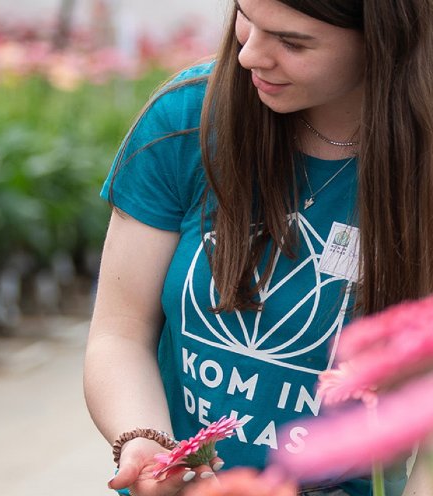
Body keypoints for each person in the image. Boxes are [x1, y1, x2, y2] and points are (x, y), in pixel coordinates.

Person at [83, 0, 433, 495]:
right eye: (246, 17)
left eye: (292, 42)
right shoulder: (189, 118)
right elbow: (120, 332)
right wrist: (145, 440)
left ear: (384, 41)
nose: (250, 55)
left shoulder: (421, 169)